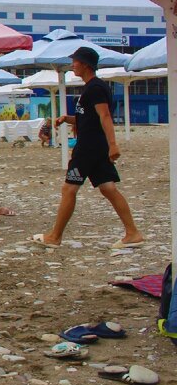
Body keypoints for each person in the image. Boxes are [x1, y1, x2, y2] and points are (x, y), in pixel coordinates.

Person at [34, 47, 144, 250]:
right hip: (96, 147)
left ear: (85, 64)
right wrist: (68, 119)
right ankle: (132, 232)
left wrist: (114, 145)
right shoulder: (92, 88)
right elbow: (91, 117)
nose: (72, 65)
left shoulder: (95, 88)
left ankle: (55, 236)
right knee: (108, 188)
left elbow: (105, 116)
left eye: (75, 61)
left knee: (69, 189)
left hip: (89, 148)